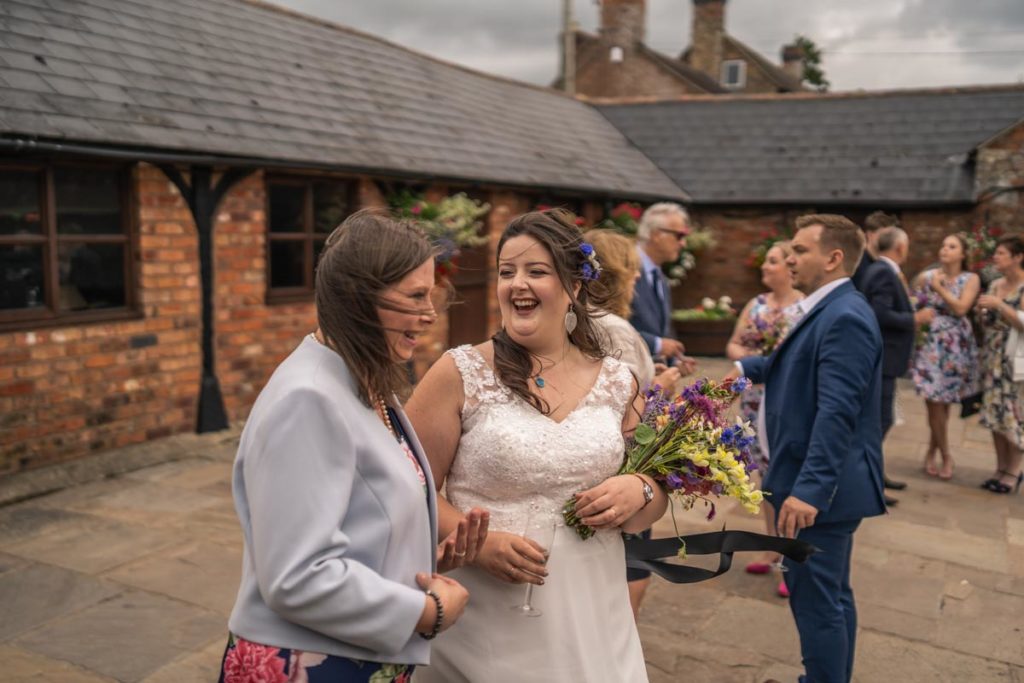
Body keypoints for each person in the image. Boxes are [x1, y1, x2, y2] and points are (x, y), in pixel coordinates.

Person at [221, 210, 487, 682]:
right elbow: (296, 576)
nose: (429, 314)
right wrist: (428, 613)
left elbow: (357, 516)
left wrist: (415, 552)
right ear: (358, 299)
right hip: (308, 664)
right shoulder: (308, 399)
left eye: (431, 296)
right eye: (415, 297)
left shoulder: (358, 380)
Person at [407, 209, 667, 682]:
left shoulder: (618, 381)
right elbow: (408, 487)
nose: (517, 284)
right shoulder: (459, 372)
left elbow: (651, 501)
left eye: (537, 271)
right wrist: (476, 540)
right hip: (484, 619)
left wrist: (642, 490)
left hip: (593, 613)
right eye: (507, 272)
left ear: (574, 286)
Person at [731, 213, 886, 683]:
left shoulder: (846, 316)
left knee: (817, 602)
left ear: (833, 257)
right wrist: (738, 373)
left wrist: (810, 491)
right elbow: (788, 364)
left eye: (800, 250)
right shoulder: (826, 306)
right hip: (814, 484)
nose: (790, 258)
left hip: (819, 493)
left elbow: (837, 412)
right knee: (833, 595)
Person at [583, 227, 691, 620]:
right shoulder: (616, 328)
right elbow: (625, 406)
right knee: (633, 562)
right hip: (623, 463)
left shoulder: (578, 320)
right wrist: (660, 385)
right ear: (623, 276)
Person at [725, 241, 804, 597]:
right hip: (755, 400)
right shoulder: (755, 304)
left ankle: (790, 560)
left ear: (790, 266)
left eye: (772, 262)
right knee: (765, 479)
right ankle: (772, 546)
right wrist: (752, 354)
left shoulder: (804, 308)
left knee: (786, 480)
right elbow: (733, 345)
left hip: (787, 399)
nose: (765, 268)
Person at [861, 227, 935, 506]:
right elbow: (879, 314)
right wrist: (915, 319)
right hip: (884, 357)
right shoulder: (882, 272)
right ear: (901, 248)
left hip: (888, 359)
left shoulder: (882, 270)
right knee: (879, 421)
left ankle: (876, 475)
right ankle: (868, 481)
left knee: (883, 418)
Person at [910, 233, 981, 480]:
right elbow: (913, 304)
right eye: (943, 245)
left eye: (952, 246)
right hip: (930, 343)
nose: (945, 249)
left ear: (963, 254)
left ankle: (932, 450)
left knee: (943, 402)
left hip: (955, 344)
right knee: (932, 400)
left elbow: (962, 308)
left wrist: (939, 288)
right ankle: (946, 454)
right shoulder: (924, 277)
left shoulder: (970, 279)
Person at [976, 235, 1024, 495]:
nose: (996, 258)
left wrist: (999, 305)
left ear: (1017, 257)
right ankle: (1000, 467)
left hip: (1016, 360)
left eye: (1002, 253)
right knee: (995, 415)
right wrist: (983, 313)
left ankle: (1013, 471)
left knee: (1014, 415)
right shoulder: (995, 284)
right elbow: (990, 323)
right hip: (993, 357)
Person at [630, 202, 689, 365]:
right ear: (656, 235)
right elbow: (606, 326)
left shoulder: (659, 276)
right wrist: (656, 344)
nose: (683, 243)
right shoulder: (624, 268)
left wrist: (675, 361)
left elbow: (662, 331)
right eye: (679, 235)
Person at [850, 210, 894, 291]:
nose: (889, 240)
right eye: (884, 235)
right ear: (870, 235)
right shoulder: (857, 262)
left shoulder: (886, 262)